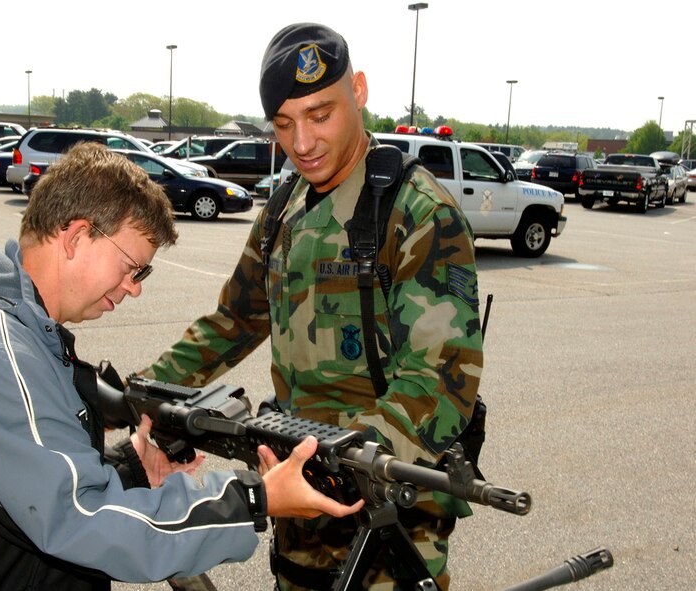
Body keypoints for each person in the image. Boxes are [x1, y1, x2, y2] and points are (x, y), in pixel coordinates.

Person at [0, 142, 363, 591]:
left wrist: (129, 470)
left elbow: (22, 476)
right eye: (132, 267)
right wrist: (256, 499)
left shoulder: (20, 331)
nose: (133, 289)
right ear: (76, 235)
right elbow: (73, 519)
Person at [138, 23, 483, 590]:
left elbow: (440, 383)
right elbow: (233, 320)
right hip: (300, 508)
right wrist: (151, 392)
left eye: (320, 115)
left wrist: (337, 460)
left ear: (361, 92)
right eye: (283, 125)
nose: (301, 143)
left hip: (387, 514)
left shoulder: (417, 213)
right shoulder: (282, 207)